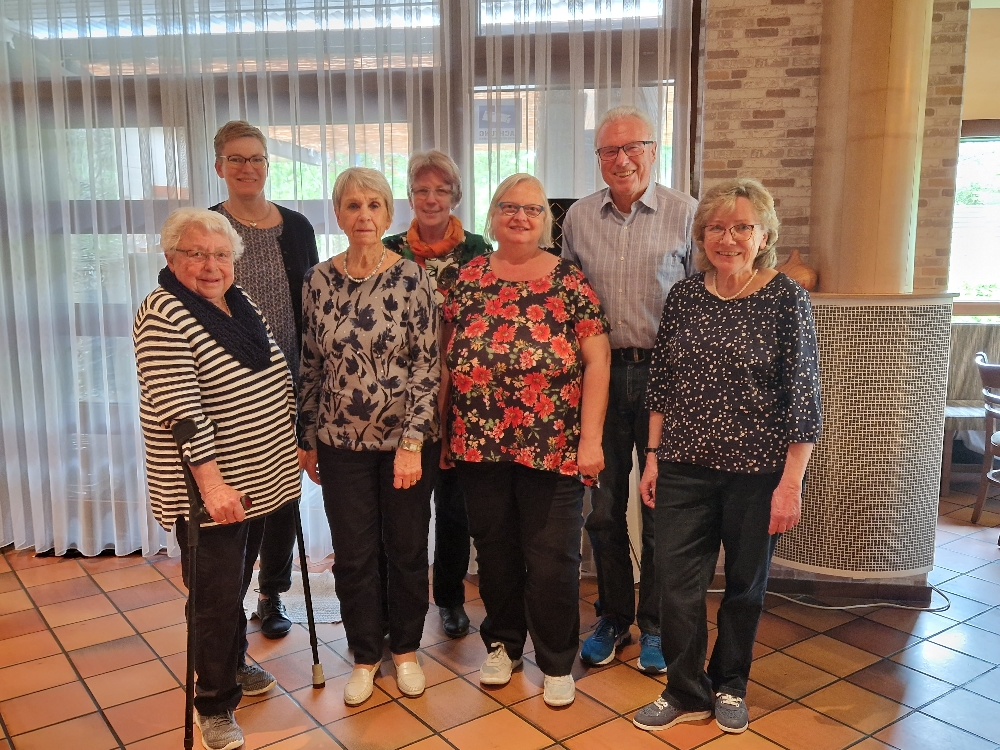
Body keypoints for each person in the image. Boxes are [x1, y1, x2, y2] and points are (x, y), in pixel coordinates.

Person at [631, 178, 821, 735]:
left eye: (742, 226)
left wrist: (790, 485)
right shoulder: (684, 296)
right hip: (684, 469)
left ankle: (731, 683)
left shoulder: (787, 298)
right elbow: (662, 385)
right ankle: (685, 688)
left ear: (764, 235)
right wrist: (654, 457)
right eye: (716, 227)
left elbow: (803, 398)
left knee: (744, 584)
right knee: (676, 583)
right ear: (701, 235)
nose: (728, 238)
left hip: (757, 476)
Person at [134, 208, 301, 750]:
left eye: (221, 254)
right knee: (212, 595)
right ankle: (214, 704)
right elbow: (182, 411)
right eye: (196, 253)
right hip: (213, 491)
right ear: (170, 258)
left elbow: (268, 375)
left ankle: (231, 663)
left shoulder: (237, 300)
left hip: (257, 479)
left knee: (233, 584)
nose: (211, 265)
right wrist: (211, 486)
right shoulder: (164, 314)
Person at [441, 173, 611, 708]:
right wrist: (441, 429)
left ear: (547, 220)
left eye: (533, 209)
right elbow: (446, 360)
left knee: (554, 557)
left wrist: (591, 440)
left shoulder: (569, 280)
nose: (520, 216)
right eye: (509, 207)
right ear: (492, 216)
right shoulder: (462, 278)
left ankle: (557, 660)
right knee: (494, 550)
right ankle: (504, 644)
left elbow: (598, 360)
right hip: (478, 442)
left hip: (554, 443)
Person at [562, 105, 697, 673]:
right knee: (603, 506)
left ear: (653, 149)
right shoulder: (577, 219)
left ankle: (659, 625)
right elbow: (566, 300)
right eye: (608, 151)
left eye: (632, 147)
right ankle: (614, 615)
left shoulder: (686, 214)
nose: (621, 160)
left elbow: (700, 304)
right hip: (598, 378)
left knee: (665, 506)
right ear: (598, 159)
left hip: (667, 378)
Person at [298, 167, 440, 706]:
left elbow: (429, 364)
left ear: (389, 214)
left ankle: (404, 650)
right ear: (338, 214)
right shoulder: (317, 280)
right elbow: (310, 364)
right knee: (353, 554)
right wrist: (306, 436)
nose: (363, 215)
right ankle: (363, 654)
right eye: (353, 205)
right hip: (339, 445)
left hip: (404, 441)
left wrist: (411, 443)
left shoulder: (412, 277)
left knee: (405, 550)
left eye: (374, 205)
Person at [209, 120, 319, 640]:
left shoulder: (296, 227)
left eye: (256, 159)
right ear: (219, 167)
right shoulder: (207, 228)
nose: (247, 168)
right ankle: (226, 596)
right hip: (228, 387)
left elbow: (315, 308)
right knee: (236, 491)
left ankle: (272, 593)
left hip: (290, 381)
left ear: (267, 166)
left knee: (284, 492)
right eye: (236, 159)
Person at [383, 150, 492, 638]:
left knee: (454, 509)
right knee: (401, 511)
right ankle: (395, 604)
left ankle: (449, 598)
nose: (431, 199)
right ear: (410, 196)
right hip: (396, 398)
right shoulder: (387, 250)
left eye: (441, 190)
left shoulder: (477, 249)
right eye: (422, 190)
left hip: (465, 397)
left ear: (455, 197)